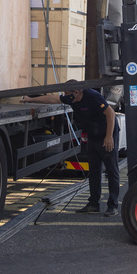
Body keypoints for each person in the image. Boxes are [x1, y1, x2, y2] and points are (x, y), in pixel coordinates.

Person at [25, 82, 121, 216]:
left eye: (66, 94)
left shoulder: (92, 96)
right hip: (93, 135)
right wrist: (30, 100)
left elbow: (110, 114)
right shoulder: (71, 98)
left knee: (111, 170)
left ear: (76, 92)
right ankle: (93, 204)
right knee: (94, 170)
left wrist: (109, 137)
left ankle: (113, 205)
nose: (65, 96)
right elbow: (53, 99)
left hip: (107, 134)